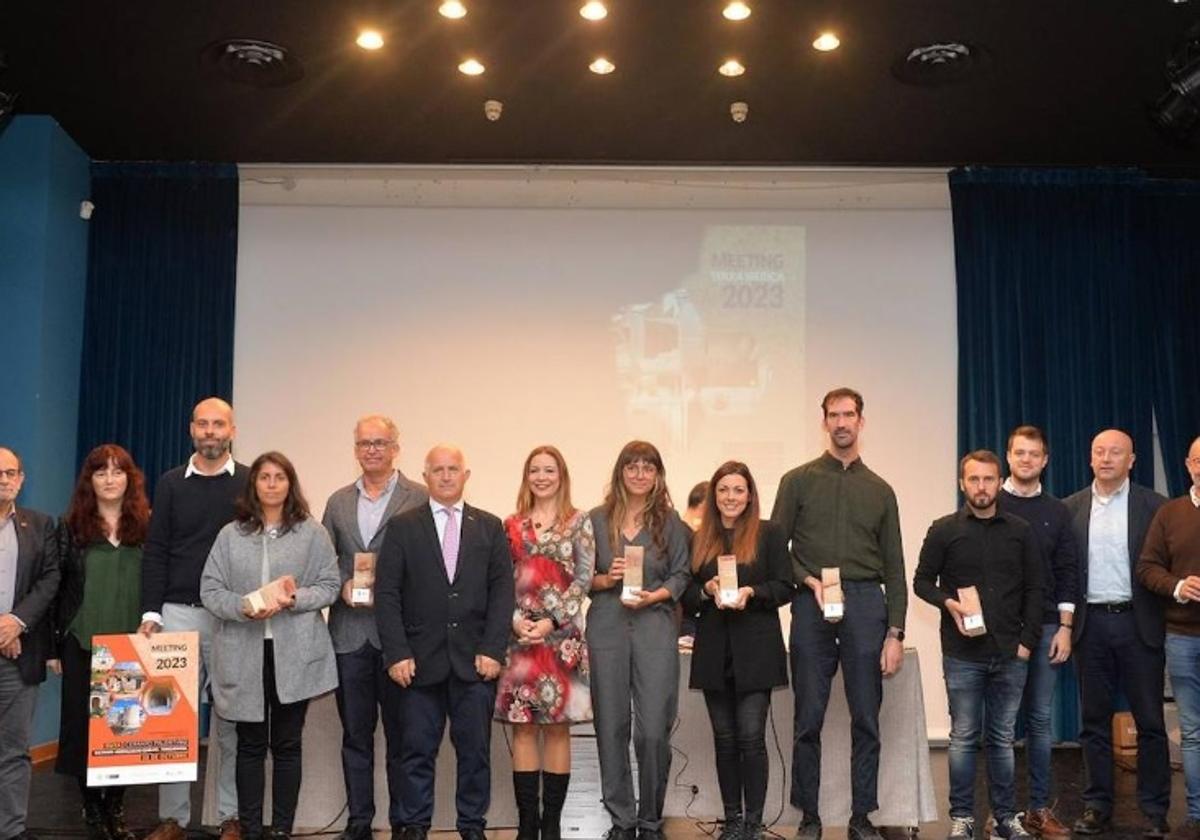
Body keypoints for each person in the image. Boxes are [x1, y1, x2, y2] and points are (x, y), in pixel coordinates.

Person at [769, 387, 906, 840]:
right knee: (808, 716)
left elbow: (896, 566)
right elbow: (776, 551)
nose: (842, 422)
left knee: (867, 717)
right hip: (811, 604)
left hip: (867, 604)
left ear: (861, 421)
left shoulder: (881, 490)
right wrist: (807, 580)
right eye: (834, 415)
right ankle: (809, 816)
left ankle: (861, 816)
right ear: (823, 421)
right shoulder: (798, 481)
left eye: (849, 415)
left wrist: (895, 632)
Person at [375, 445, 515, 840]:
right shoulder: (403, 527)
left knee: (474, 754)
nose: (447, 476)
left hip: (475, 663)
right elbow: (387, 595)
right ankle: (414, 826)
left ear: (466, 475)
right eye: (438, 470)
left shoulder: (489, 527)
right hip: (418, 664)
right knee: (415, 752)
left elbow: (502, 592)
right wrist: (397, 653)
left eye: (454, 469)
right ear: (426, 476)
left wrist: (492, 648)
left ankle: (472, 826)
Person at [200, 451, 340, 840]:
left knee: (287, 744)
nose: (272, 484)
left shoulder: (312, 532)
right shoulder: (231, 535)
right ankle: (249, 827)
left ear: (290, 484)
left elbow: (330, 585)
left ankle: (280, 829)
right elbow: (210, 590)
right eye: (265, 477)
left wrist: (297, 600)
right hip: (244, 652)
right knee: (249, 745)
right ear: (254, 485)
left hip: (294, 654)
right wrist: (241, 607)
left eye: (280, 477)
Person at [913, 449, 1042, 840]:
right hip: (962, 654)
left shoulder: (1021, 530)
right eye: (974, 479)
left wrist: (1027, 643)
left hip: (1009, 653)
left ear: (997, 481)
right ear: (962, 483)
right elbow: (921, 581)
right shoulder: (944, 530)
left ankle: (1005, 818)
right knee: (963, 738)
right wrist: (948, 602)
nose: (981, 487)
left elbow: (1037, 589)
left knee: (1002, 739)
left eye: (988, 479)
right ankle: (963, 817)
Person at [140, 397, 248, 840]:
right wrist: (151, 612)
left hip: (231, 619)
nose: (210, 431)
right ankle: (173, 818)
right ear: (191, 430)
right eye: (202, 424)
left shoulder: (247, 482)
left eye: (218, 424)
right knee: (171, 720)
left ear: (232, 430)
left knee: (230, 719)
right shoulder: (169, 483)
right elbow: (157, 550)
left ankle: (229, 816)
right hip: (177, 615)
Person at [322, 415, 427, 840]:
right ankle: (359, 821)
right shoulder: (338, 502)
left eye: (380, 442)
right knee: (355, 736)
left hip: (400, 637)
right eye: (364, 443)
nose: (372, 450)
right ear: (355, 449)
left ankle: (405, 821)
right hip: (350, 635)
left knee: (404, 738)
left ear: (396, 448)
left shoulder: (419, 498)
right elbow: (323, 562)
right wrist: (339, 583)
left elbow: (432, 565)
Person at [1064, 429, 1170, 838]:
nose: (1106, 458)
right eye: (1099, 452)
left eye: (1116, 452)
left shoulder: (1155, 507)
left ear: (1132, 460)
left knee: (1150, 722)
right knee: (1093, 721)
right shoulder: (1070, 508)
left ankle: (1154, 809)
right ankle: (1097, 805)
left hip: (1138, 623)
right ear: (1090, 458)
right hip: (1091, 627)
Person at [683, 461, 793, 840]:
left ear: (750, 495)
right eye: (724, 490)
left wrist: (753, 593)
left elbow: (785, 586)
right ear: (714, 495)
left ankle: (753, 824)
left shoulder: (770, 534)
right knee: (725, 740)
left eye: (738, 490)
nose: (731, 497)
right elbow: (686, 594)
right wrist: (705, 591)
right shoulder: (699, 538)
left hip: (756, 651)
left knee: (750, 738)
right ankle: (732, 821)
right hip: (715, 651)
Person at [587, 440, 691, 840]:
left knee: (651, 730)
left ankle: (650, 819)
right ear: (620, 471)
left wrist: (657, 595)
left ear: (658, 475)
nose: (640, 473)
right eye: (632, 466)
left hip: (654, 623)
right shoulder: (596, 519)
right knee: (610, 725)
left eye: (648, 467)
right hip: (608, 624)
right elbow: (582, 579)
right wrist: (606, 579)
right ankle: (622, 820)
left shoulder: (670, 521)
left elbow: (681, 574)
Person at [49, 445, 150, 840]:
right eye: (100, 472)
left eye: (117, 471)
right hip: (81, 640)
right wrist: (55, 648)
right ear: (89, 481)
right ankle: (92, 807)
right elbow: (57, 588)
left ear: (130, 478)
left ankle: (115, 808)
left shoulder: (146, 525)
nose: (110, 479)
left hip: (129, 644)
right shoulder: (70, 527)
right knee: (82, 730)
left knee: (124, 728)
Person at [495, 446, 596, 840]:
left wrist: (552, 620)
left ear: (561, 475)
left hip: (561, 638)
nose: (541, 476)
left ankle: (551, 824)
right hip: (519, 637)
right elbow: (500, 580)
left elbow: (584, 580)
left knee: (557, 729)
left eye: (549, 470)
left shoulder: (579, 521)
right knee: (522, 728)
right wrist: (516, 620)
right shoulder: (511, 524)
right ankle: (527, 825)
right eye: (534, 470)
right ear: (526, 476)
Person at [996, 426, 1078, 838]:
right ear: (1008, 457)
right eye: (1019, 453)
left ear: (1045, 460)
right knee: (1003, 725)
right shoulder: (990, 502)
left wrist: (1065, 627)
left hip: (1047, 626)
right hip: (1002, 631)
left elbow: (1067, 572)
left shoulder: (1058, 511)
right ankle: (1003, 816)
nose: (1026, 460)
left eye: (1034, 454)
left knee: (1041, 721)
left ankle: (1039, 810)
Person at [1136, 435, 1200, 840]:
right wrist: (1177, 586)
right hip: (1181, 637)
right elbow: (1147, 567)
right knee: (1192, 731)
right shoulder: (1168, 513)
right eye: (1199, 459)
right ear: (1188, 464)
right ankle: (1197, 812)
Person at [0, 446, 61, 840]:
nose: (3, 479)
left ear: (21, 479)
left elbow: (51, 578)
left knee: (13, 749)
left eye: (10, 473)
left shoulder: (40, 525)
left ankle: (9, 829)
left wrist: (16, 622)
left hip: (18, 654)